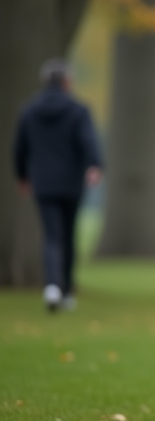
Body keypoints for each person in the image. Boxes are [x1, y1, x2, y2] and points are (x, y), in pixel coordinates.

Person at [12, 59, 103, 312]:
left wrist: (22, 176)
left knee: (52, 236)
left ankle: (52, 286)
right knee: (69, 235)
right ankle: (65, 290)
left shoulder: (29, 111)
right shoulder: (77, 110)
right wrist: (94, 166)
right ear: (67, 82)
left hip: (42, 182)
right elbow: (88, 140)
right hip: (71, 182)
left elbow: (20, 148)